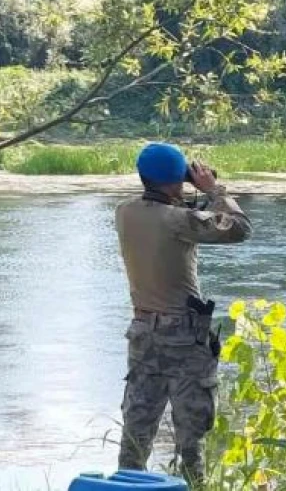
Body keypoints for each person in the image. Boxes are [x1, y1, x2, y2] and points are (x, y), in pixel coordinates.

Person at [115, 142, 252, 486]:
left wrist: (188, 191)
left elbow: (173, 212)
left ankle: (126, 485)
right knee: (191, 436)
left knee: (137, 430)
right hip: (185, 339)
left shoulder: (125, 212)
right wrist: (213, 190)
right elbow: (238, 229)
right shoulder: (179, 219)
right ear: (179, 179)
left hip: (143, 334)